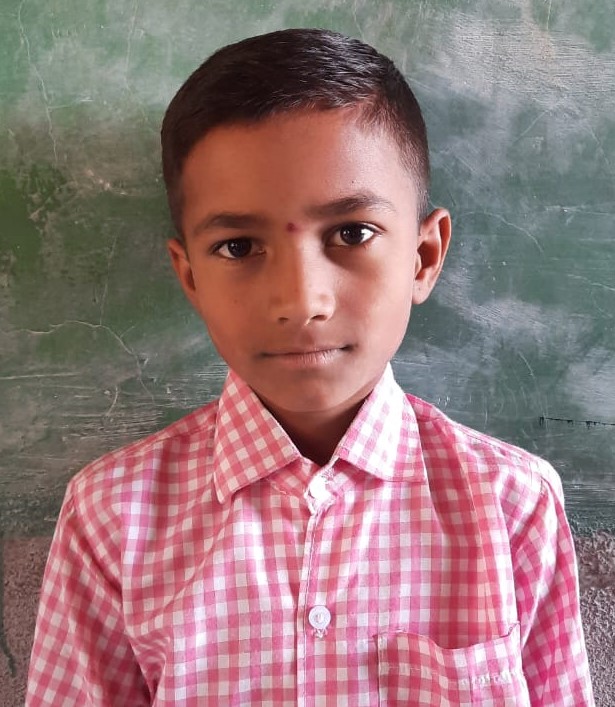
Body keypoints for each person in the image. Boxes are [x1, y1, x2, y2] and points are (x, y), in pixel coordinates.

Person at [26, 28, 593, 706]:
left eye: (351, 233)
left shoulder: (512, 506)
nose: (301, 300)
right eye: (239, 246)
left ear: (422, 257)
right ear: (190, 275)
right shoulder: (112, 519)